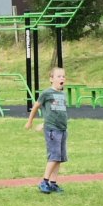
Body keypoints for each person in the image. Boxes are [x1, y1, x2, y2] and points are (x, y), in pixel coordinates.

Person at [24, 66, 70, 194]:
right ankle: (44, 182)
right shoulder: (47, 93)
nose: (62, 78)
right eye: (58, 76)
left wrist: (43, 123)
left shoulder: (62, 94)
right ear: (51, 79)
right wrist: (30, 121)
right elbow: (36, 106)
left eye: (63, 76)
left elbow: (54, 112)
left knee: (59, 157)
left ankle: (53, 183)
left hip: (62, 129)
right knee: (54, 156)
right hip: (52, 130)